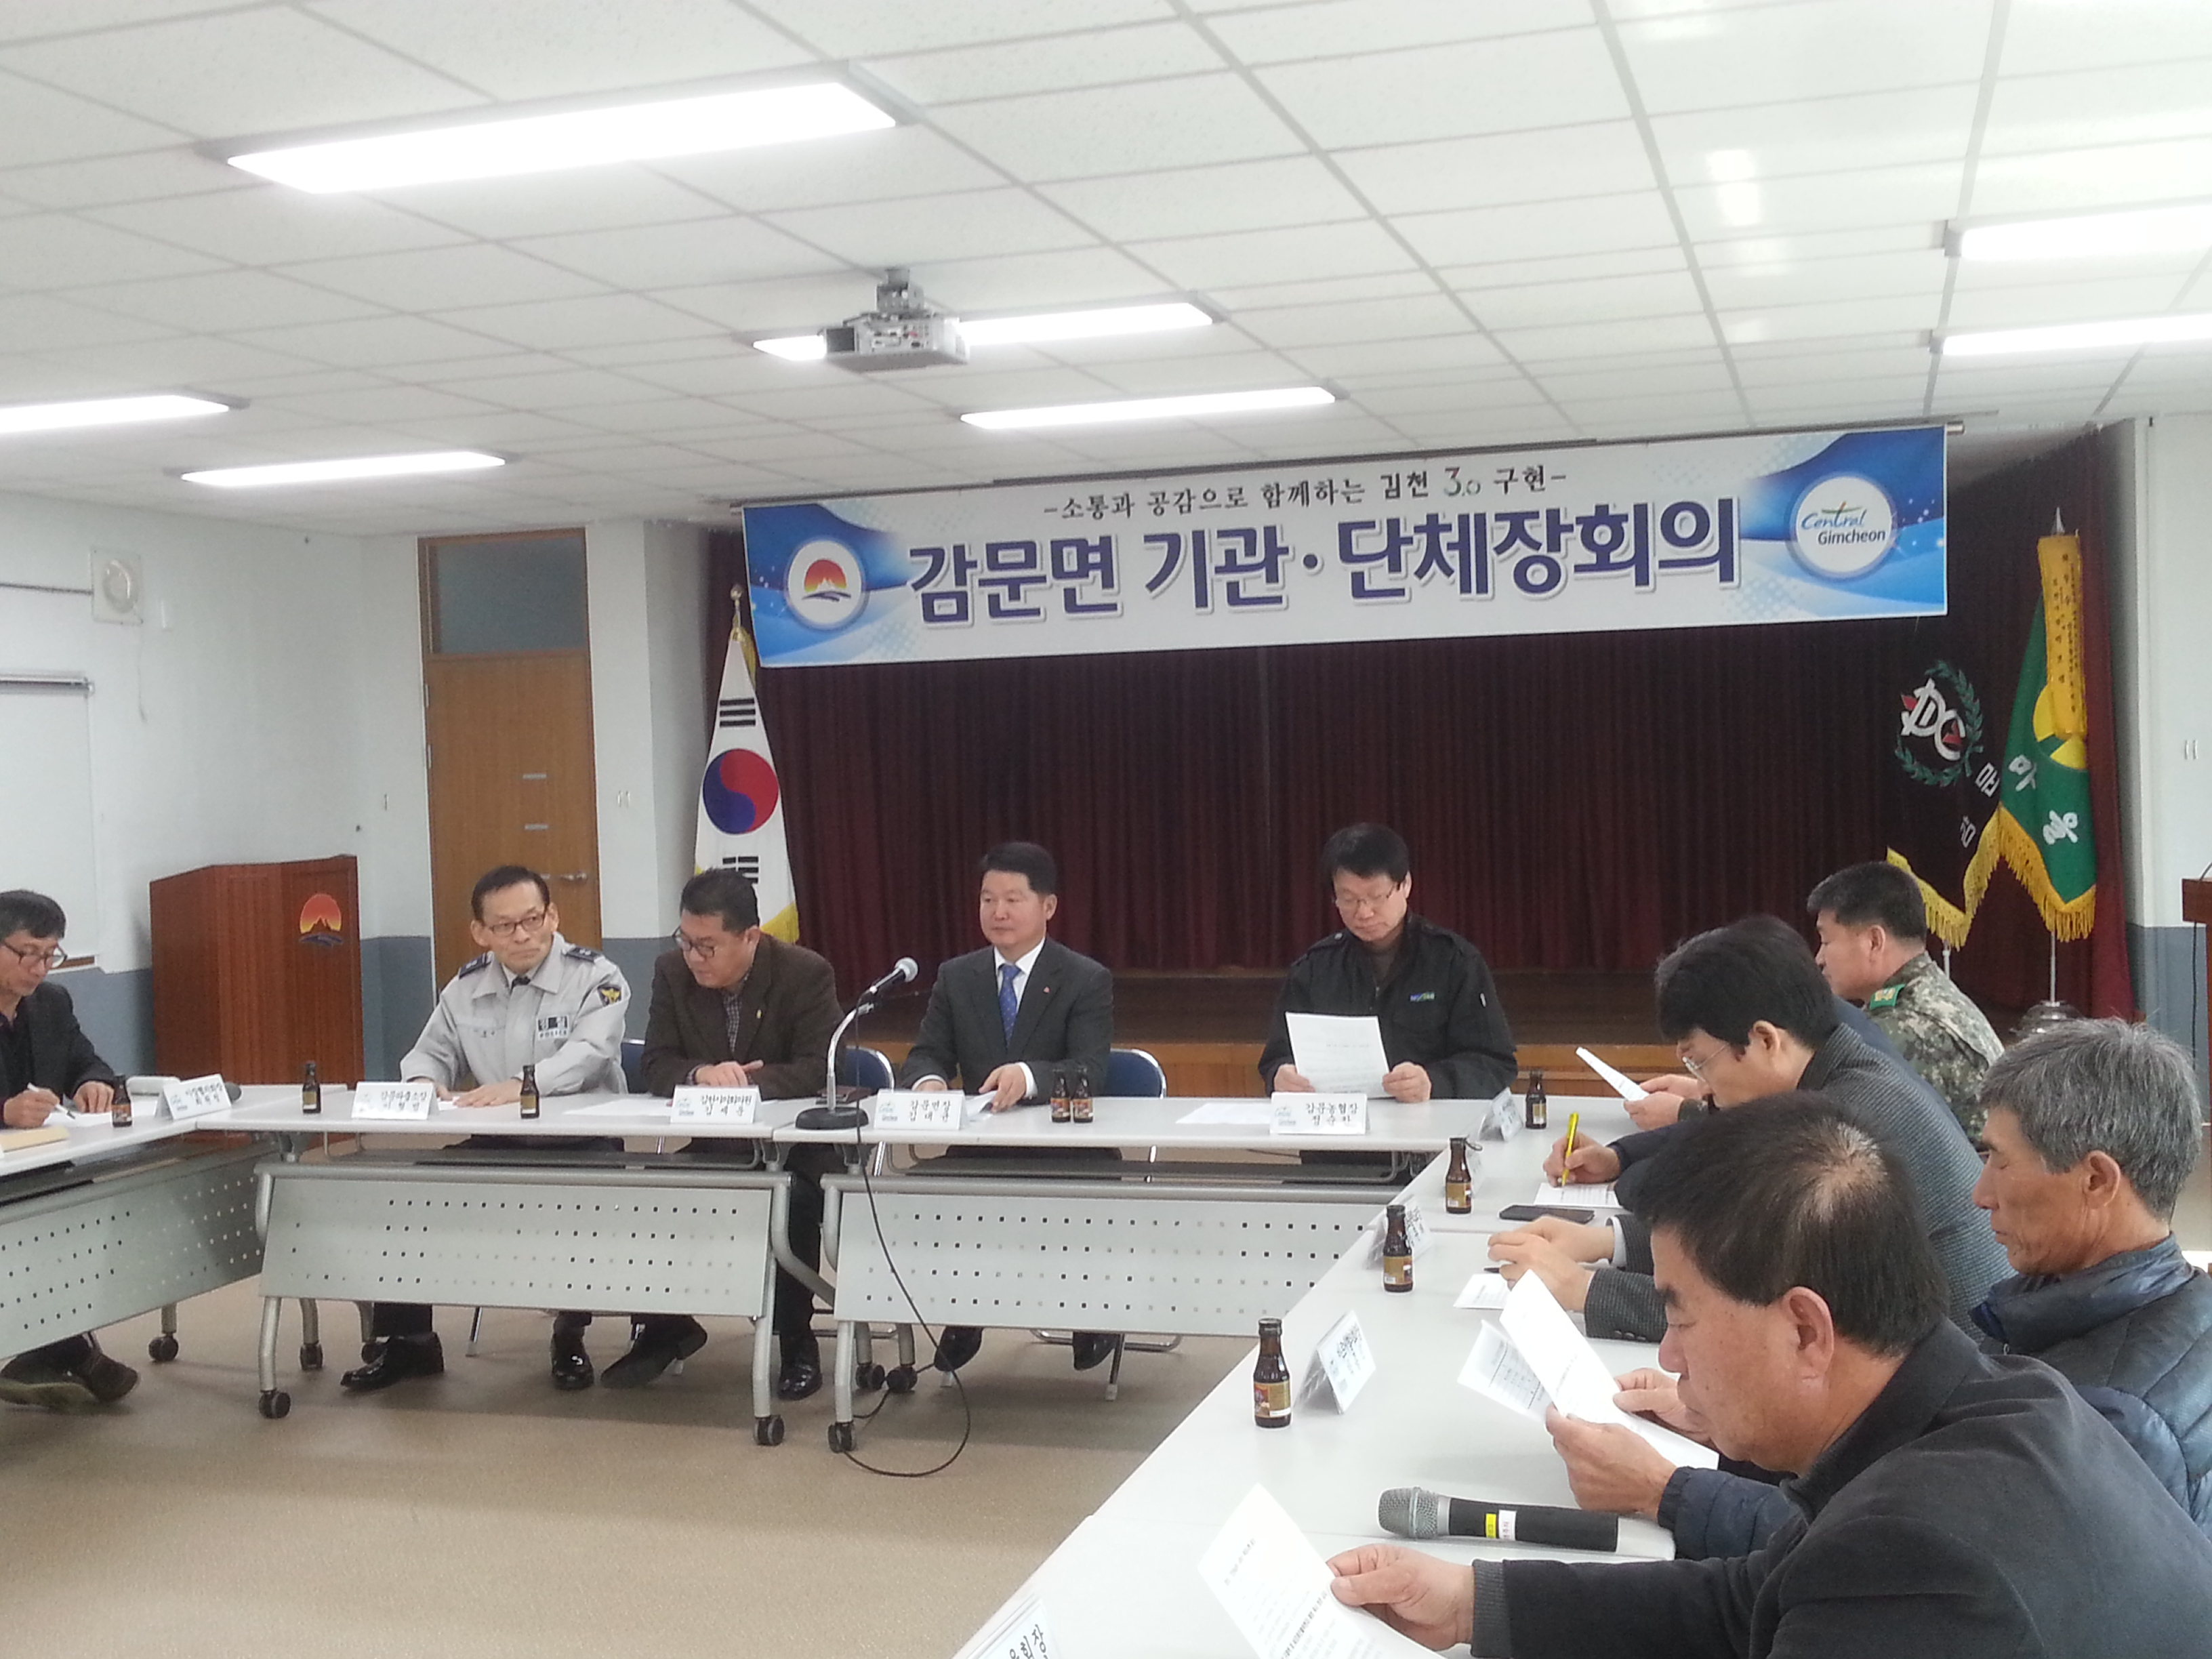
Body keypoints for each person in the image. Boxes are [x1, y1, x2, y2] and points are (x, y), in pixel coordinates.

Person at [1327, 1100, 2212, 1658]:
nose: (1668, 1358)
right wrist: (1470, 1603)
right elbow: (1752, 1598)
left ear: (1805, 1330)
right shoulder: (1997, 1400)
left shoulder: (1917, 1555)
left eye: (1680, 1317)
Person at [1584, 1018, 2212, 1555]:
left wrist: (1668, 1491)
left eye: (2001, 1161)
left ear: (2097, 1181)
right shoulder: (2110, 1307)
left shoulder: (2112, 1419)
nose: (1980, 1194)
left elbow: (1899, 1545)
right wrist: (1747, 1415)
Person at [1490, 918, 2007, 1342]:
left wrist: (1578, 1288)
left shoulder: (1842, 1127)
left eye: (1700, 1063)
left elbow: (1754, 1313)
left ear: (1764, 1040)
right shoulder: (1843, 1072)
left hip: (1949, 1389)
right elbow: (1748, 1243)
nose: (1705, 1089)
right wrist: (1604, 1241)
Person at [341, 865, 629, 1395]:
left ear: (553, 916)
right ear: (480, 932)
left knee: (583, 1207)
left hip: (581, 1140)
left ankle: (569, 1334)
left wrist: (522, 1085)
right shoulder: (466, 987)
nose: (522, 935)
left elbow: (591, 1054)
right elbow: (430, 1052)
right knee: (404, 1193)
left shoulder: (597, 977)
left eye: (532, 920)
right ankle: (410, 1342)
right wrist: (425, 1083)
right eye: (505, 926)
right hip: (498, 1140)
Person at [899, 842, 1114, 1373]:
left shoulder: (1084, 978)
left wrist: (1029, 1076)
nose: (998, 912)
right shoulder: (958, 976)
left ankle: (1092, 1313)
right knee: (915, 1194)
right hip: (983, 1144)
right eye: (988, 899)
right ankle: (964, 1310)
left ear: (1048, 906)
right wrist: (928, 1081)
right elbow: (927, 1052)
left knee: (1079, 1196)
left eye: (1013, 899)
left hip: (1068, 1148)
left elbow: (1090, 1070)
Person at [635, 867, 842, 1399]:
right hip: (715, 1145)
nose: (694, 957)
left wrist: (747, 1085)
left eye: (707, 946)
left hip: (796, 1149)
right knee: (646, 1191)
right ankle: (666, 1327)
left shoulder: (803, 973)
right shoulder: (670, 972)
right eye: (686, 941)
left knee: (786, 1200)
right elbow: (654, 1063)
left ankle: (796, 1341)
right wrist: (701, 1073)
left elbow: (820, 1067)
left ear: (751, 936)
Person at [1259, 824, 1515, 1105]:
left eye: (1377, 897)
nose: (1364, 912)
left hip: (1427, 1123)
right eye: (1348, 899)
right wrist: (1279, 1075)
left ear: (1405, 885)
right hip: (1340, 1128)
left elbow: (1495, 1064)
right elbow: (1276, 1057)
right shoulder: (1314, 968)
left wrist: (1434, 1082)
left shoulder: (1454, 961)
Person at [0, 889, 137, 1411]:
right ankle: (66, 1353)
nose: (39, 968)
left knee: (76, 1209)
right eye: (27, 953)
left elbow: (88, 1060)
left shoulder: (52, 1004)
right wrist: (4, 1111)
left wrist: (93, 1083)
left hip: (44, 1166)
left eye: (50, 954)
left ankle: (52, 1350)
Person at [1807, 861, 2003, 1134]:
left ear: (1874, 942)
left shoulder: (1905, 1028)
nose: (1819, 959)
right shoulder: (1926, 994)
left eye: (1827, 942)